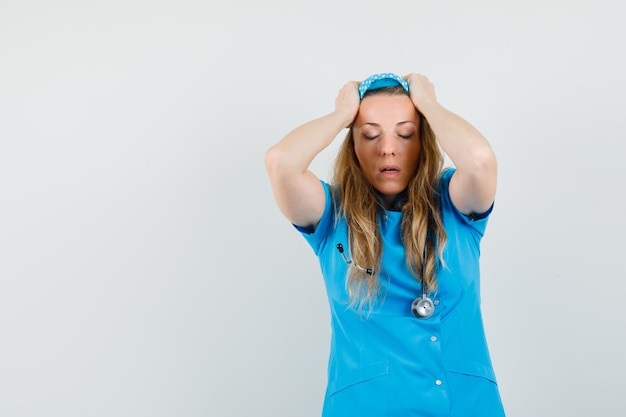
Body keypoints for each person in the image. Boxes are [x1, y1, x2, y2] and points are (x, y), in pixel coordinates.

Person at [264, 72, 505, 416]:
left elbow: (480, 159)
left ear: (424, 140)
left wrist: (429, 105)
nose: (388, 148)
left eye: (406, 133)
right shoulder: (331, 215)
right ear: (353, 145)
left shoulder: (456, 205)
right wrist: (341, 115)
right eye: (370, 134)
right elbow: (281, 163)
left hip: (464, 404)